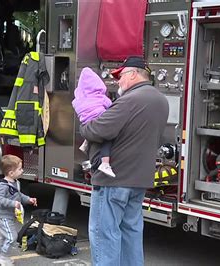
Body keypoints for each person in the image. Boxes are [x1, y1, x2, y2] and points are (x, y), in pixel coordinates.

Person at [80, 56, 169, 266]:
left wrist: (84, 124)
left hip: (114, 179)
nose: (118, 81)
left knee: (105, 234)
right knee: (131, 233)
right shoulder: (161, 100)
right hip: (140, 179)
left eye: (121, 76)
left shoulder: (130, 100)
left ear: (133, 74)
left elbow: (98, 129)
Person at [0, 154, 37, 265]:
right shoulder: (3, 186)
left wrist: (29, 199)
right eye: (20, 169)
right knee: (12, 237)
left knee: (4, 237)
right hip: (2, 217)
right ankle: (3, 256)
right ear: (11, 173)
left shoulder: (16, 182)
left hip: (9, 216)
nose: (22, 171)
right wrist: (13, 203)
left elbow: (19, 195)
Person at [72, 67, 115, 177]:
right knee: (108, 139)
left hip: (86, 122)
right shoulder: (99, 97)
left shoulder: (79, 99)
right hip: (99, 121)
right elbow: (110, 106)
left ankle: (86, 143)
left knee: (91, 133)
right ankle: (105, 163)